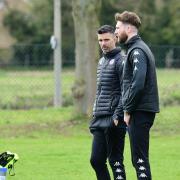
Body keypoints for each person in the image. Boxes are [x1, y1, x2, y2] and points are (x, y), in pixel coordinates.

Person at [114, 11, 159, 180]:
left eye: (118, 28)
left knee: (139, 159)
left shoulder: (137, 50)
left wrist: (127, 110)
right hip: (140, 110)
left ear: (128, 28)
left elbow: (138, 83)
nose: (115, 32)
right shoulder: (136, 48)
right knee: (138, 159)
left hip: (139, 111)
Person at [89, 25, 127, 180]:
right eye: (100, 40)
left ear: (115, 39)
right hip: (100, 117)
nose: (103, 43)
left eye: (106, 40)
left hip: (114, 118)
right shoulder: (101, 61)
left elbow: (126, 90)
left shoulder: (122, 60)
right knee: (96, 160)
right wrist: (94, 112)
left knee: (115, 161)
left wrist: (118, 115)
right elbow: (100, 91)